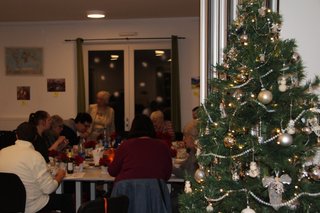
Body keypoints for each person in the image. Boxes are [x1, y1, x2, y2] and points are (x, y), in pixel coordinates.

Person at [0, 122, 73, 213]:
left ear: (16, 136)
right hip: (32, 206)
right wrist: (60, 176)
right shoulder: (35, 156)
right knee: (67, 200)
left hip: (5, 205)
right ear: (35, 137)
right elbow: (48, 189)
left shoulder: (3, 152)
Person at [108, 114, 172, 213]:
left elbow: (112, 171)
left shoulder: (125, 145)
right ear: (151, 128)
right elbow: (167, 174)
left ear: (133, 128)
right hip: (154, 192)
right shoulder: (162, 145)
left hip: (126, 190)